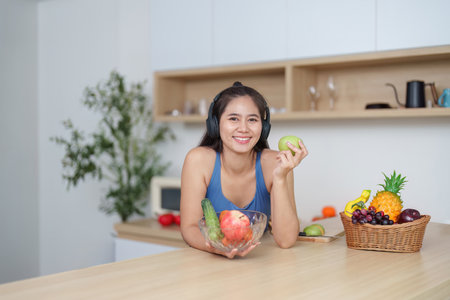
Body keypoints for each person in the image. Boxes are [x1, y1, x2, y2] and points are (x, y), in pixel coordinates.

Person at [180, 82, 308, 258]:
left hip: (259, 264)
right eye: (233, 118)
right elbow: (189, 228)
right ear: (215, 124)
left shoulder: (276, 163)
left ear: (263, 128)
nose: (244, 128)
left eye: (252, 120)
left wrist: (280, 178)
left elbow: (286, 240)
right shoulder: (198, 160)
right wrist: (219, 248)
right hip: (209, 263)